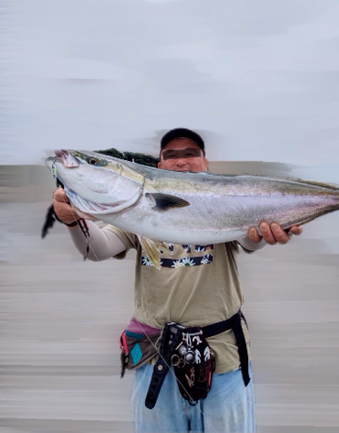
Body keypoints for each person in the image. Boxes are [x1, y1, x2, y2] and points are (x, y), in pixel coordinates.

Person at [52, 128, 302, 433]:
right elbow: (97, 249)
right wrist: (73, 221)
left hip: (223, 358)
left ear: (205, 163)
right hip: (156, 359)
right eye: (171, 155)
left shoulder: (223, 201)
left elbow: (250, 241)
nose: (181, 161)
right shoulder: (132, 213)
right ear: (158, 167)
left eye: (190, 154)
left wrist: (268, 232)